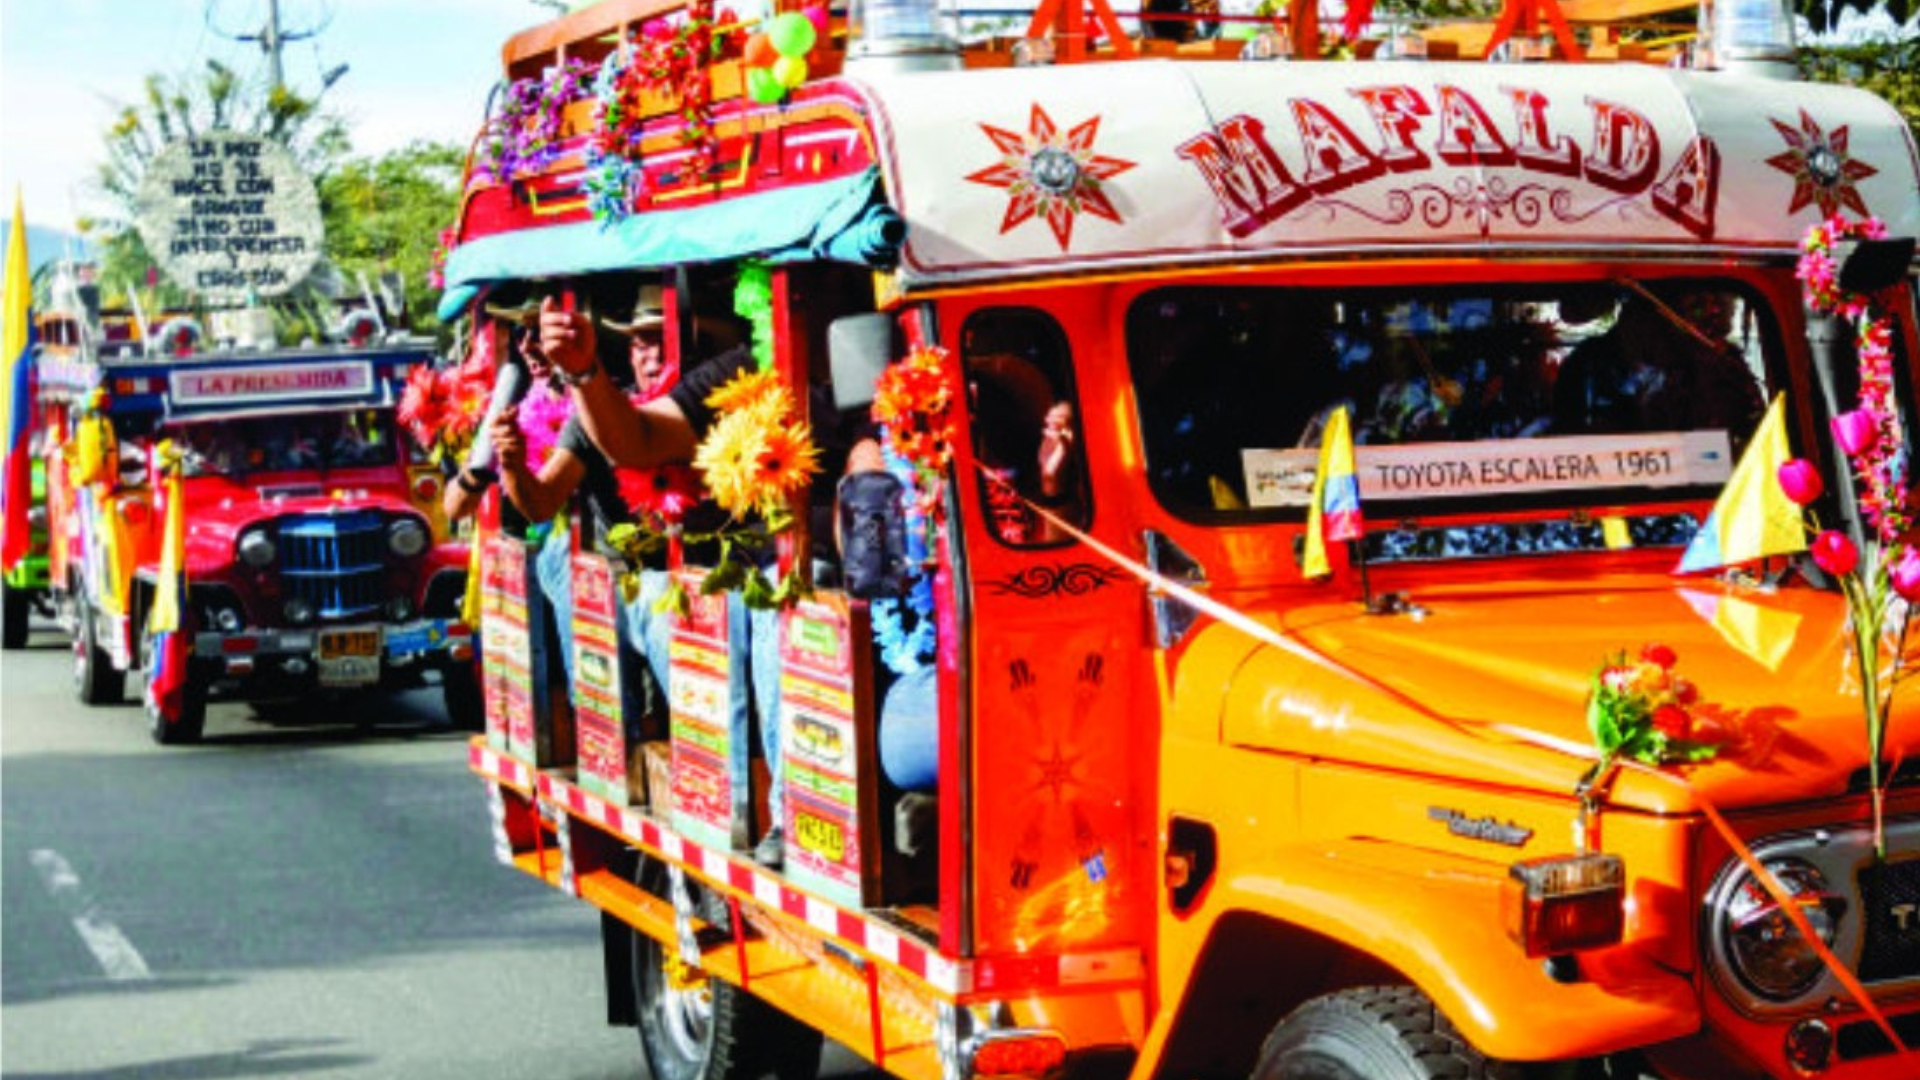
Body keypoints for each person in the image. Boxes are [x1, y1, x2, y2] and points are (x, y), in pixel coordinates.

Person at [541, 287, 796, 863]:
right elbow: (622, 450)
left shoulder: (756, 368)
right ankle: (627, 748)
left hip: (775, 565)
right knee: (576, 566)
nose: (649, 354)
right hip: (685, 577)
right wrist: (505, 462)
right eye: (639, 341)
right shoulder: (643, 399)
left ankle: (762, 807)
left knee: (756, 596)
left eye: (661, 337)